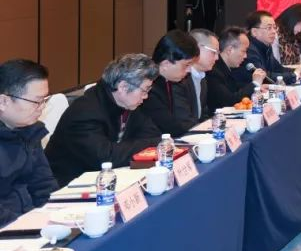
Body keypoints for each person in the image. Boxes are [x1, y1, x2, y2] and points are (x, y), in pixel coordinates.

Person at [45, 54, 161, 187]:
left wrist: (145, 144)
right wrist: (148, 144)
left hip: (102, 178)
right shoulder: (85, 112)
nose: (146, 97)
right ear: (123, 87)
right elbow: (106, 158)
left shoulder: (127, 103)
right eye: (144, 91)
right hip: (67, 185)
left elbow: (153, 135)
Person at [0, 60, 58, 226]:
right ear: (3, 102)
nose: (42, 107)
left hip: (30, 221)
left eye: (45, 100)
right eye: (36, 101)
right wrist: (28, 225)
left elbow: (43, 185)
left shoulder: (30, 130)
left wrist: (55, 215)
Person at [141, 30, 201, 137]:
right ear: (166, 64)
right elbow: (171, 127)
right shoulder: (148, 88)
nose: (189, 70)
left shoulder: (166, 80)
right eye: (186, 65)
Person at [207, 27, 266, 110]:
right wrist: (255, 84)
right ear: (230, 50)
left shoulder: (227, 67)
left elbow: (236, 88)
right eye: (244, 51)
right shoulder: (213, 71)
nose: (245, 56)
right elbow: (230, 101)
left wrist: (258, 86)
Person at [244, 10, 295, 85]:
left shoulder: (267, 46)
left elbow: (278, 69)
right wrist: (294, 75)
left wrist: (298, 70)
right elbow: (265, 77)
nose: (274, 31)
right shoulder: (249, 50)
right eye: (269, 28)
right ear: (254, 32)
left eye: (275, 27)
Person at [187, 29, 220, 120]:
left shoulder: (202, 77)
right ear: (198, 48)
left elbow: (203, 115)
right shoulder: (181, 78)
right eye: (214, 52)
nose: (217, 58)